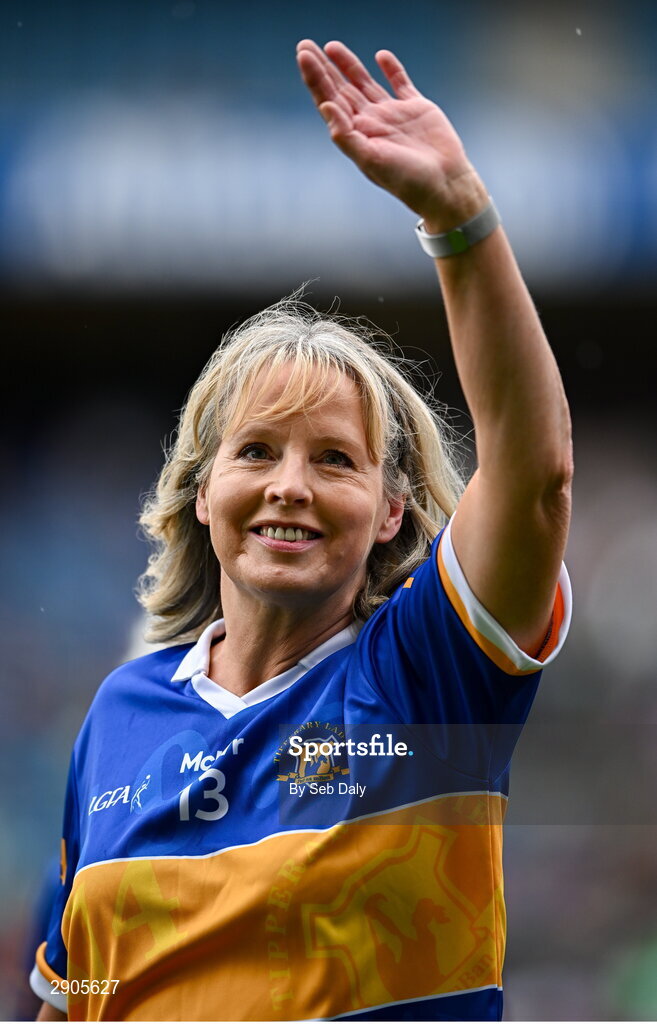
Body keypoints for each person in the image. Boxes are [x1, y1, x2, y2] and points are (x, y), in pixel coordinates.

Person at [32, 38, 572, 1022]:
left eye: (335, 459)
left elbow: (535, 480)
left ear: (391, 510)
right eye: (256, 454)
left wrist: (458, 218)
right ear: (201, 493)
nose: (291, 487)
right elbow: (75, 998)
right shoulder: (117, 717)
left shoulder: (423, 679)